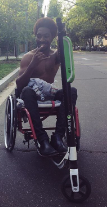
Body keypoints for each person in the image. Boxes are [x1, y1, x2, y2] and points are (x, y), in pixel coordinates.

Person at [16, 17, 77, 157]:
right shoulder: (28, 56)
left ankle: (57, 137)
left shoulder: (55, 56)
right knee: (27, 91)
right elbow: (19, 85)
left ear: (53, 37)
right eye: (39, 36)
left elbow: (63, 50)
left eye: (46, 36)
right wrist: (32, 64)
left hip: (48, 92)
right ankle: (42, 139)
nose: (42, 39)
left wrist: (62, 33)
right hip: (30, 95)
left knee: (71, 92)